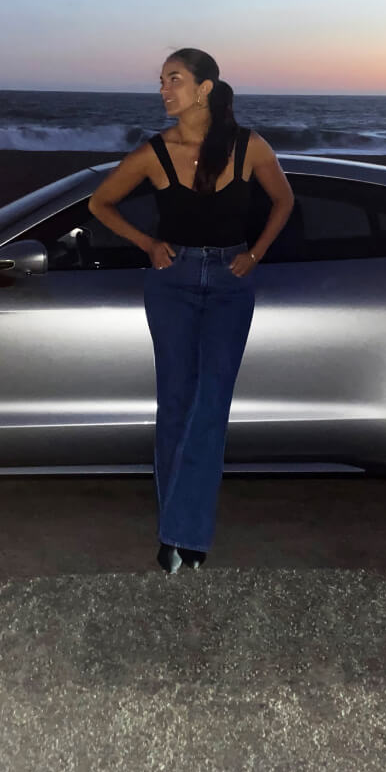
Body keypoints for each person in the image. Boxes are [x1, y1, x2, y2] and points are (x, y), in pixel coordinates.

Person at [88, 48, 295, 573]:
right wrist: (147, 244)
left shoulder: (249, 146)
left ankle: (182, 533)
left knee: (210, 407)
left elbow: (284, 201)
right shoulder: (154, 153)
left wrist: (255, 253)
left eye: (174, 80)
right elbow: (99, 204)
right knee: (176, 404)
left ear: (205, 88)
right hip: (172, 283)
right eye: (160, 81)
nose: (163, 90)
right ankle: (180, 529)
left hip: (230, 282)